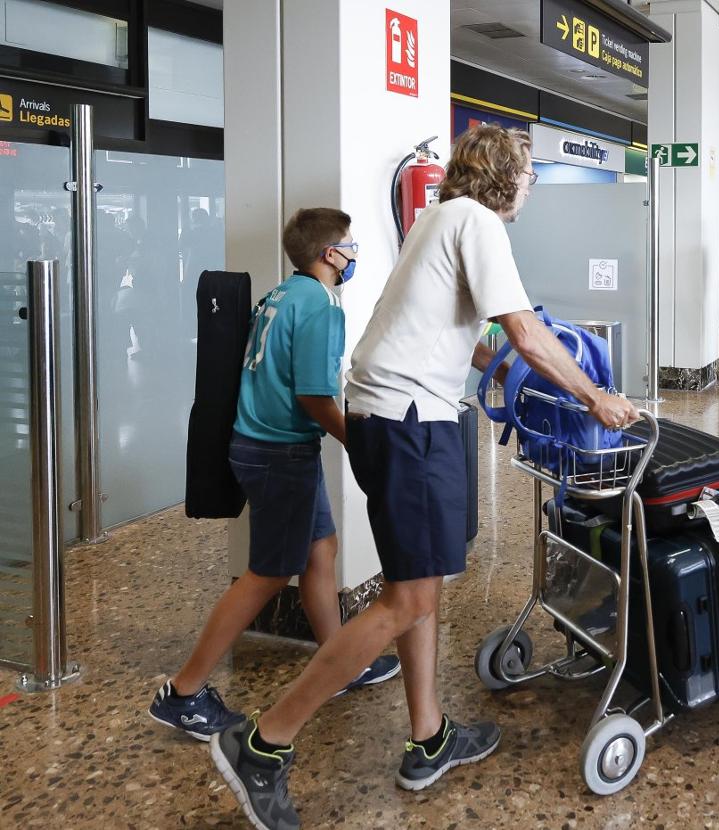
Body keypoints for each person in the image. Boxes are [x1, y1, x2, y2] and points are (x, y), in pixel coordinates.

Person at [207, 126, 640, 829]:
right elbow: (524, 330)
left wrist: (502, 372)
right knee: (405, 600)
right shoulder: (478, 221)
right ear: (503, 177)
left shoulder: (435, 220)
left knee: (420, 587)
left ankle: (430, 734)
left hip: (388, 417)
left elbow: (463, 336)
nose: (530, 184)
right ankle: (264, 742)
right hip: (413, 425)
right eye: (526, 173)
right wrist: (594, 396)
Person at [149, 209, 400, 744]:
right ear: (330, 254)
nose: (354, 252)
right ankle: (184, 692)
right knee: (266, 573)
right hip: (278, 454)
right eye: (350, 245)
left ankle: (337, 666)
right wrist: (361, 444)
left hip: (265, 447)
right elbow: (313, 395)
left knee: (320, 550)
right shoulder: (321, 305)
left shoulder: (279, 295)